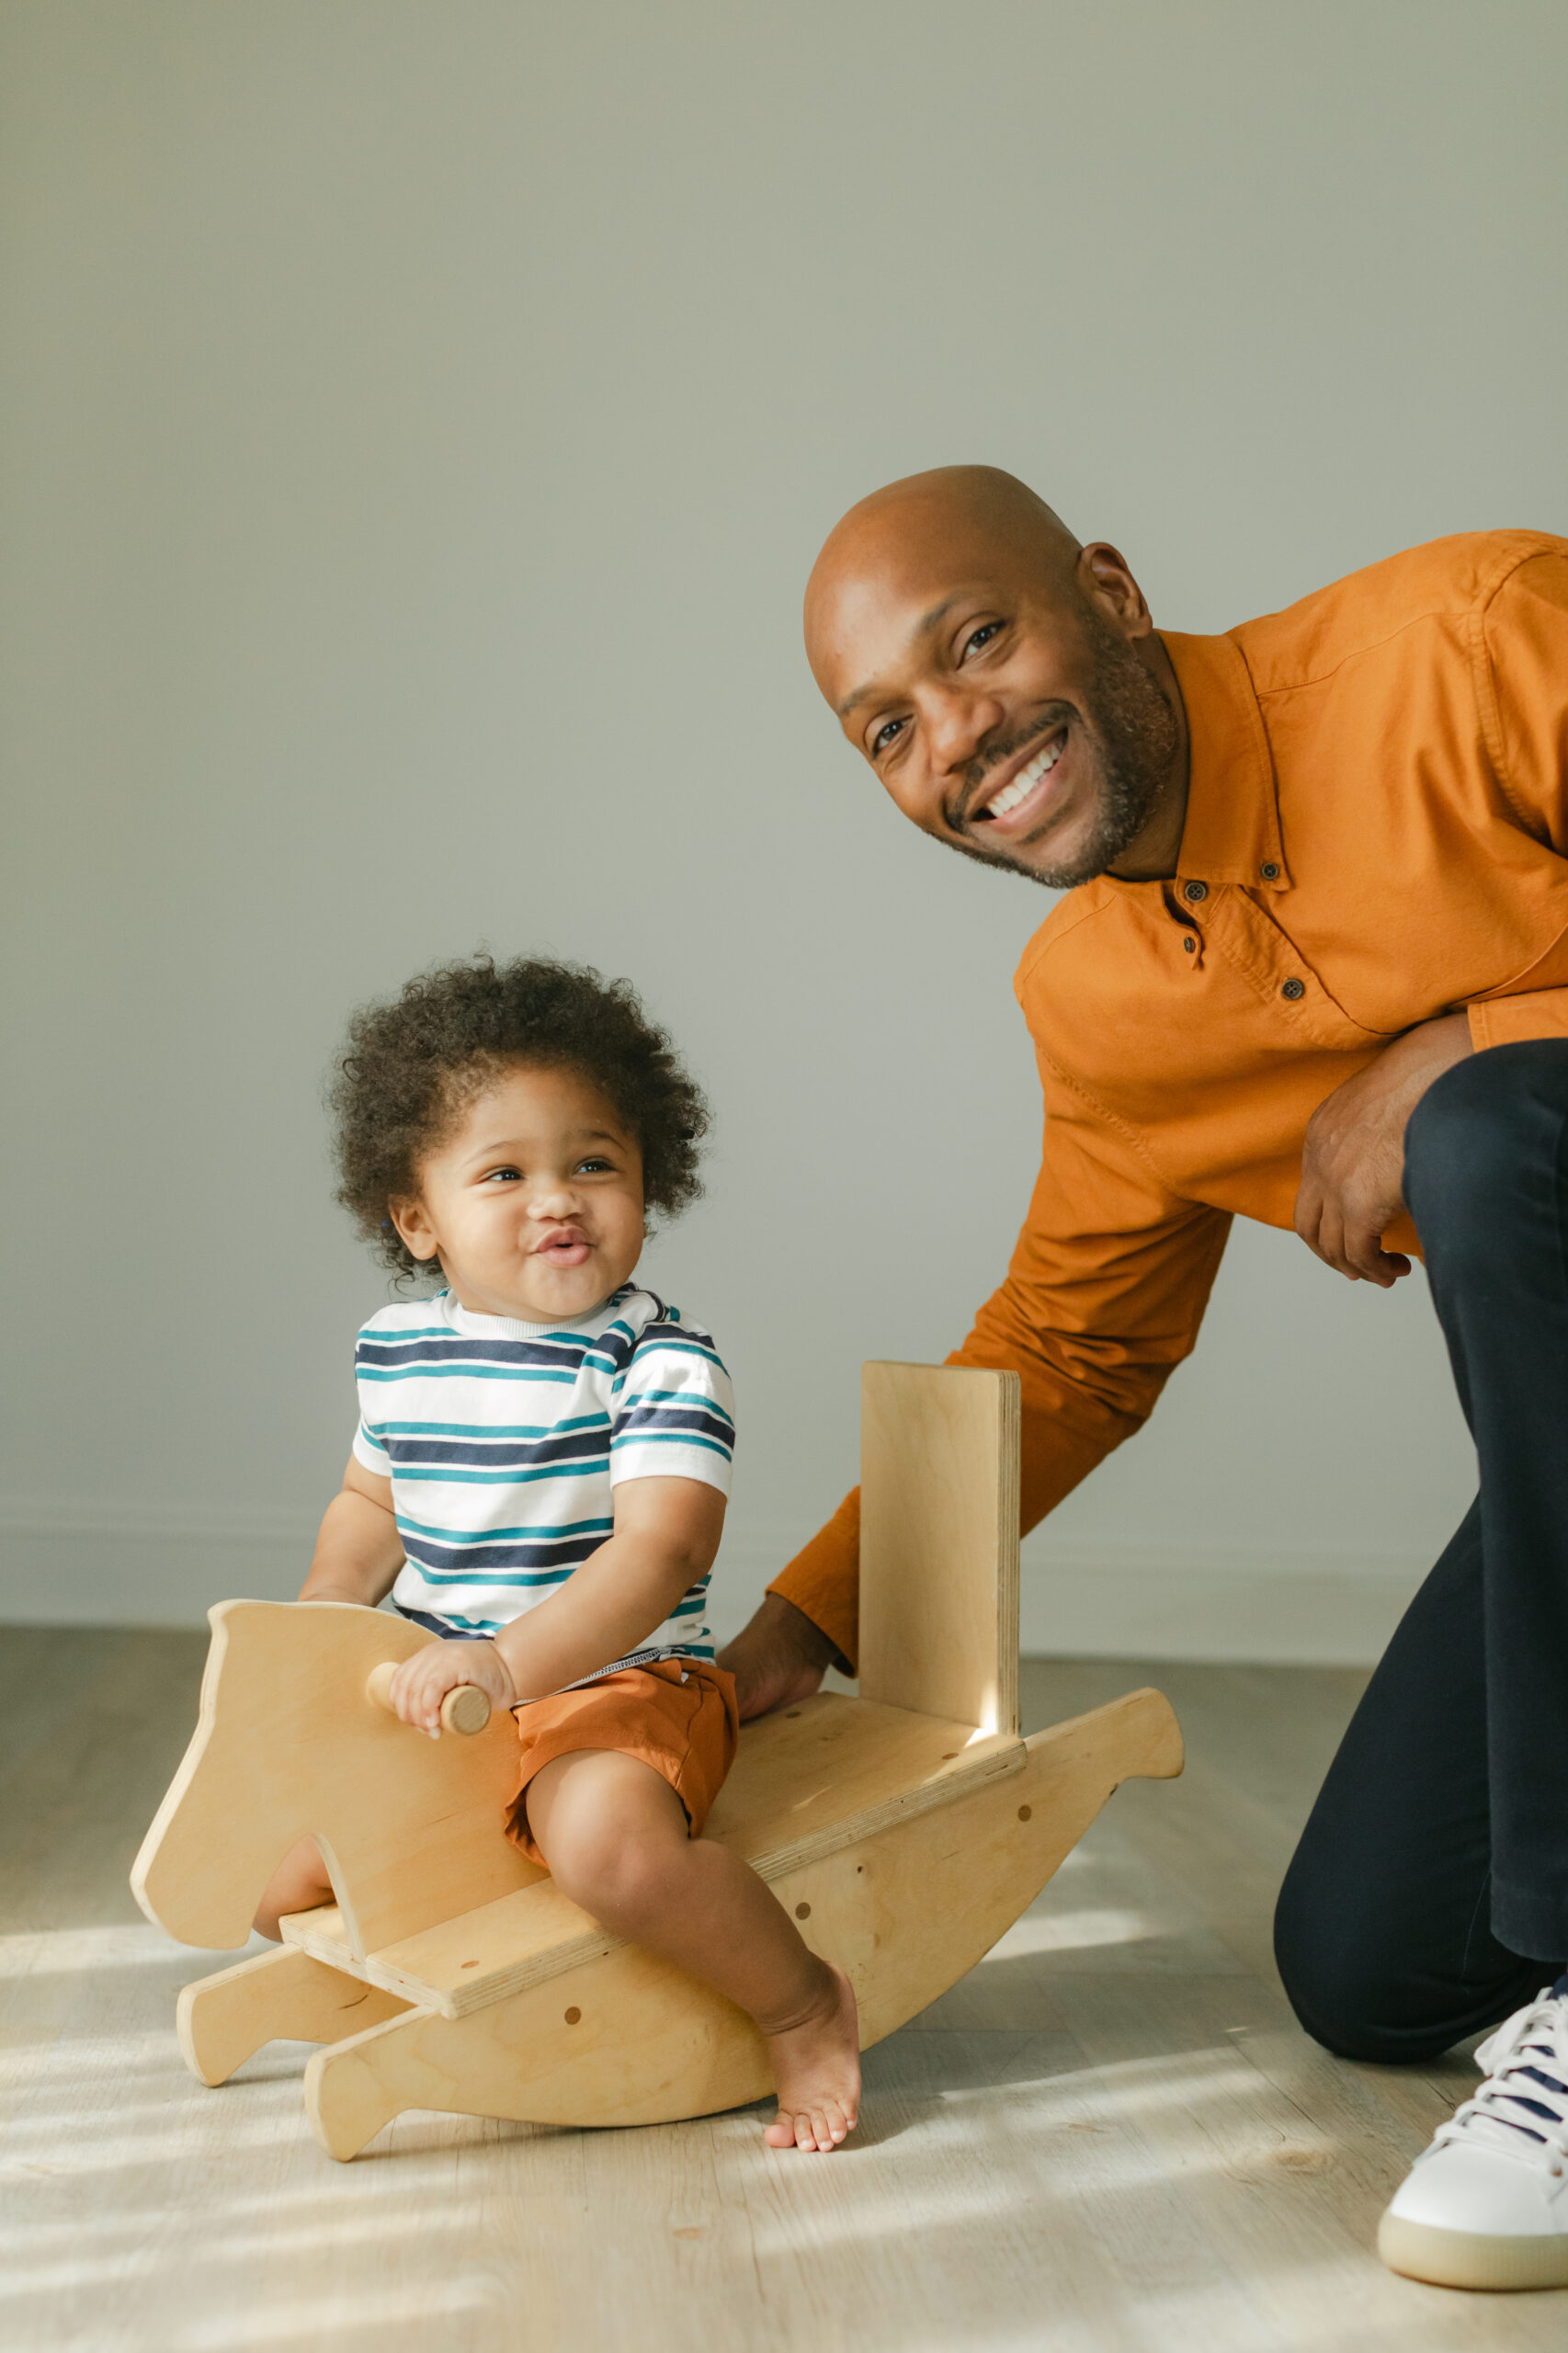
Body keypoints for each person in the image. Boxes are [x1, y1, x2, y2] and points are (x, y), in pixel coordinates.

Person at [717, 468, 1568, 2281]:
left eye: (978, 639)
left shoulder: (1469, 639)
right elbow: (1072, 1347)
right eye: (889, 724)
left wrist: (1462, 1044)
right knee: (1372, 1967)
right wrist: (798, 1625)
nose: (959, 734)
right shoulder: (1096, 996)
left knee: (1497, 1136)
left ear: (1103, 587)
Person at [254, 953, 859, 2154]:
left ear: (647, 1179)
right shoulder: (396, 1351)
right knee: (277, 1872)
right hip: (447, 1692)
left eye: (595, 1163)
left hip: (617, 1684)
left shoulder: (657, 1362)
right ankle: (441, 1997)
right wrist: (328, 1610)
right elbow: (371, 1504)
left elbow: (656, 1552)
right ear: (418, 1219)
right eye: (504, 1173)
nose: (558, 1199)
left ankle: (800, 2003)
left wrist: (508, 1665)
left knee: (607, 1848)